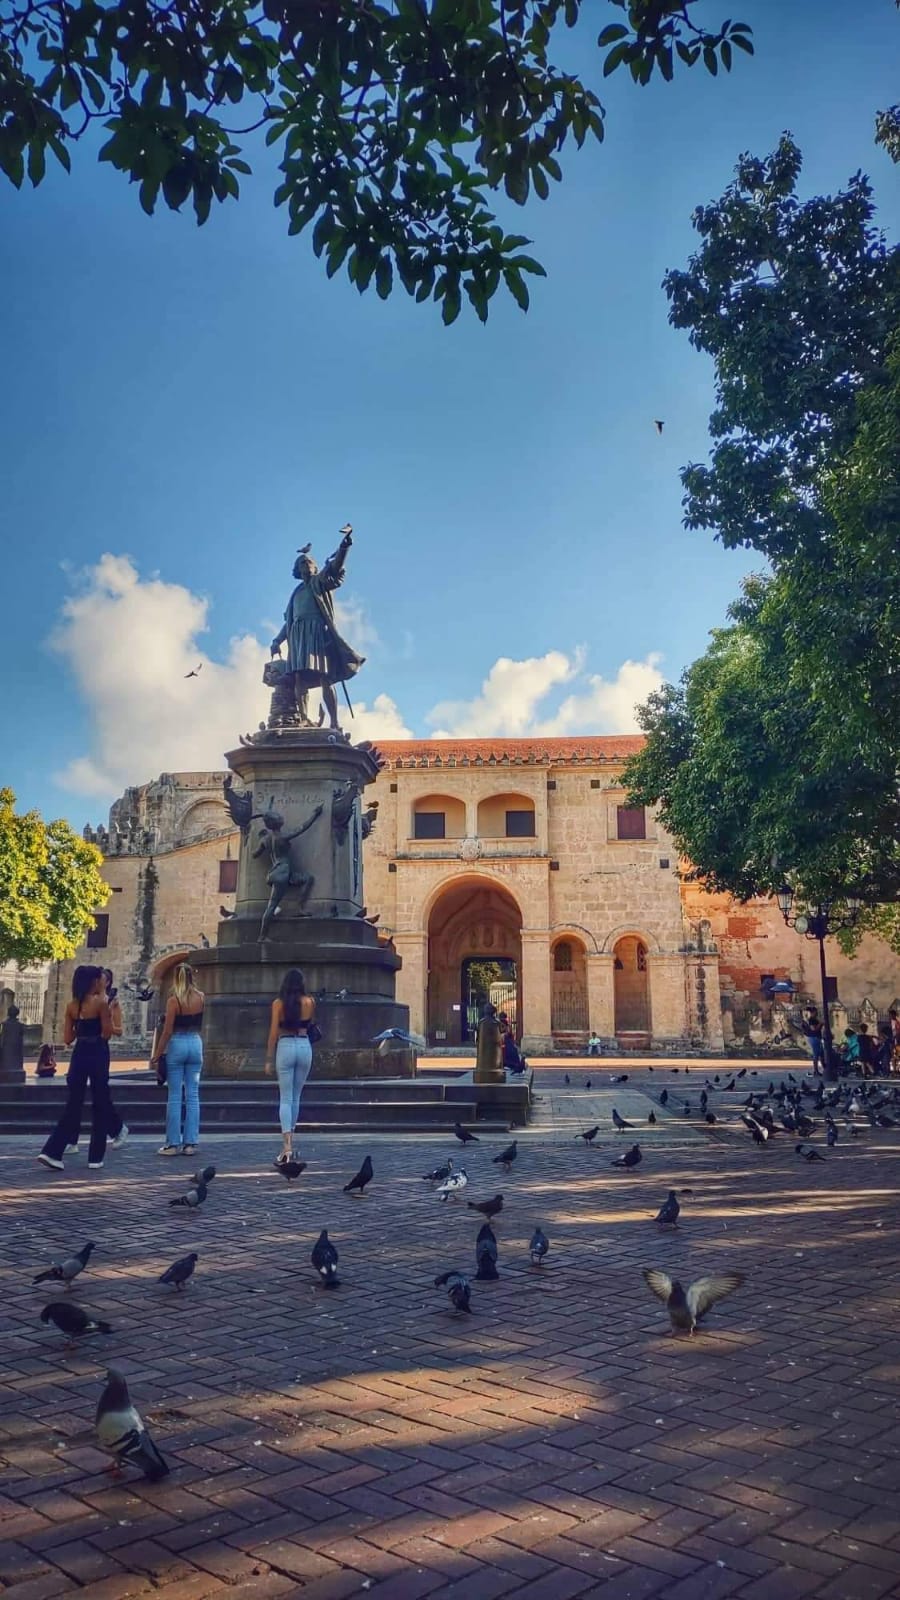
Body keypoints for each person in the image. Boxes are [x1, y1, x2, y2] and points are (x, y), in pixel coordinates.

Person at [38, 966, 113, 1171]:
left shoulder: (72, 1006)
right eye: (99, 979)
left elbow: (68, 1038)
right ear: (93, 982)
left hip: (80, 1053)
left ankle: (53, 1151)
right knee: (100, 1102)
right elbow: (107, 1033)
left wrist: (81, 1027)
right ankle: (95, 1157)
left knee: (73, 1104)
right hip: (98, 1051)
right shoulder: (101, 1003)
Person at [151, 963, 204, 1156]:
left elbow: (167, 1031)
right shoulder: (201, 997)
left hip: (178, 1043)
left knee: (174, 1096)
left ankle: (173, 1143)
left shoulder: (174, 1001)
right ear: (192, 977)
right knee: (193, 1095)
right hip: (195, 1042)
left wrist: (157, 1054)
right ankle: (190, 1143)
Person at [264, 968, 315, 1164]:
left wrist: (269, 1058)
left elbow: (273, 1033)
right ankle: (291, 1141)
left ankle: (287, 1146)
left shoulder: (278, 1004)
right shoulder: (310, 1002)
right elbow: (310, 1025)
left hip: (285, 1045)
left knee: (285, 1098)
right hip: (304, 1045)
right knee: (296, 1097)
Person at [102, 970, 128, 1149]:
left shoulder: (113, 1003)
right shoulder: (88, 999)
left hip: (100, 1048)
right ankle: (71, 1139)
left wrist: (107, 1018)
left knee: (101, 1094)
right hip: (84, 1047)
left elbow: (118, 1030)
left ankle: (118, 1128)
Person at [801, 1010, 825, 1074]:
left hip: (816, 1038)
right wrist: (821, 1023)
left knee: (821, 1053)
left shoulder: (814, 1020)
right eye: (815, 1012)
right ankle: (816, 1070)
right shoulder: (811, 1020)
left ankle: (824, 1068)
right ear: (812, 1013)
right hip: (814, 1038)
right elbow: (813, 1029)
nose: (817, 1013)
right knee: (816, 1054)